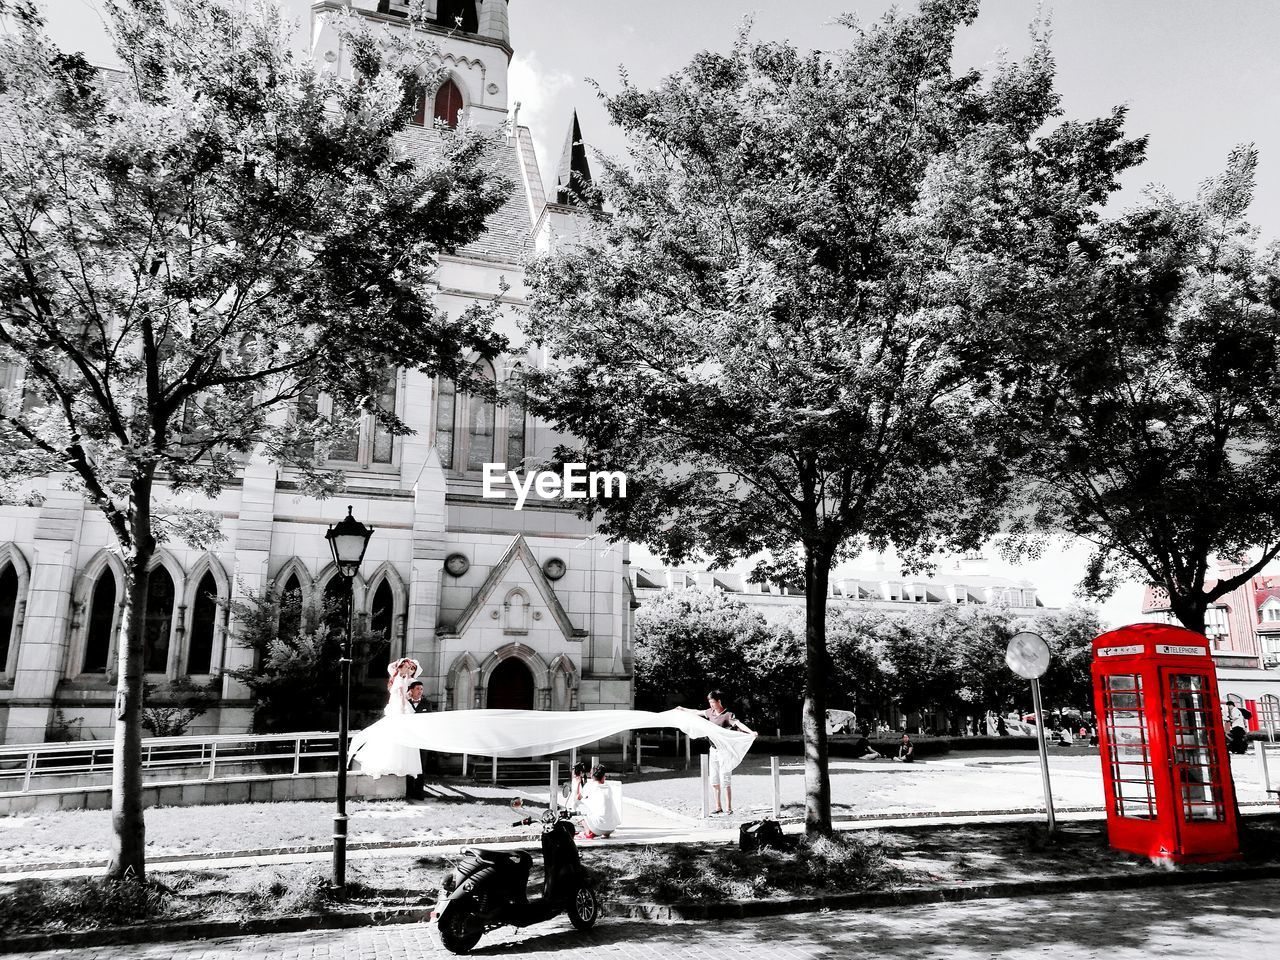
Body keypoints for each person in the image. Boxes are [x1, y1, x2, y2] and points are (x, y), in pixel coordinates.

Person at [677, 689, 755, 815]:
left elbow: (738, 723)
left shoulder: (728, 715)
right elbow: (697, 712)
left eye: (713, 702)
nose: (711, 705)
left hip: (725, 752)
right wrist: (683, 709)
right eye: (709, 702)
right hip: (713, 750)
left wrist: (751, 732)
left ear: (719, 701)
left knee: (725, 780)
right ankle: (718, 807)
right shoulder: (710, 713)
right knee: (714, 780)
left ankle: (729, 808)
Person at [354, 658, 423, 780]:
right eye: (406, 667)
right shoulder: (399, 680)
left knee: (396, 736)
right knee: (396, 736)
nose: (408, 669)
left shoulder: (397, 679)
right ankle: (396, 764)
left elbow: (399, 696)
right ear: (400, 668)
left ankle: (398, 765)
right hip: (399, 709)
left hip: (396, 707)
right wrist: (402, 710)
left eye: (409, 667)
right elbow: (400, 697)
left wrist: (405, 698)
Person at [574, 763, 622, 839]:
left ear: (591, 775)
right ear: (603, 776)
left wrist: (578, 783)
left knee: (576, 804)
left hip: (598, 828)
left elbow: (577, 798)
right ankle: (606, 834)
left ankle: (588, 831)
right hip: (612, 828)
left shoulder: (590, 786)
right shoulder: (608, 787)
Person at [404, 679, 433, 799]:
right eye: (418, 689)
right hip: (409, 740)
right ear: (411, 690)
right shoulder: (406, 703)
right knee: (410, 765)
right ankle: (409, 791)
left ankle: (419, 792)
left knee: (421, 766)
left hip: (421, 740)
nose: (420, 691)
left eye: (421, 689)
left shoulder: (427, 704)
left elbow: (430, 721)